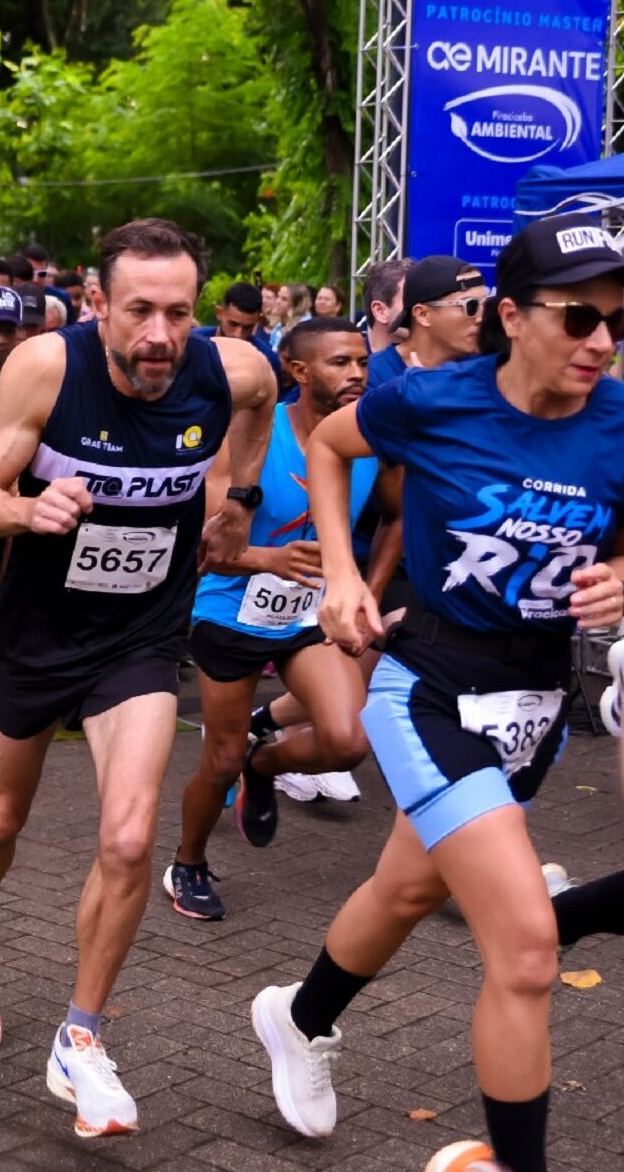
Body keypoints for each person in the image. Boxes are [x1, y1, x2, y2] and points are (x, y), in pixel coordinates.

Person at [252, 213, 624, 1172]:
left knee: (406, 884)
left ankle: (298, 1019)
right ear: (510, 313)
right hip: (426, 682)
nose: (599, 341)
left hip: (533, 702)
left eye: (617, 322)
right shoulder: (433, 398)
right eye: (578, 317)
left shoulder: (619, 422)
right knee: (530, 951)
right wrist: (338, 573)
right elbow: (331, 448)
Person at [0, 218, 276, 1137]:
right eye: (138, 311)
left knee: (129, 841)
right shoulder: (47, 368)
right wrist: (25, 506)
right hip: (36, 632)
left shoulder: (229, 369)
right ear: (97, 305)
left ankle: (80, 1037)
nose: (159, 334)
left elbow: (259, 406)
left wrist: (233, 503)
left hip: (137, 637)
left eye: (178, 311)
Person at [164, 318, 387, 920]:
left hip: (307, 614)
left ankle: (266, 766)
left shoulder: (367, 438)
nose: (358, 374)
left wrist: (367, 586)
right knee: (219, 761)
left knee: (347, 742)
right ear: (298, 371)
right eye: (341, 363)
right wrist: (268, 557)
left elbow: (394, 514)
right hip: (230, 610)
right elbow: (204, 544)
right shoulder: (252, 437)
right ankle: (188, 861)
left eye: (362, 362)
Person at [368, 255, 486, 388]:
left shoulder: (488, 371)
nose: (481, 318)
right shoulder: (375, 375)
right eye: (471, 306)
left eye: (485, 304)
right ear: (423, 315)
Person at [194, 281, 282, 386]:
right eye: (233, 324)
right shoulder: (191, 343)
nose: (238, 334)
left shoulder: (267, 360)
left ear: (258, 320)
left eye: (247, 327)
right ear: (219, 313)